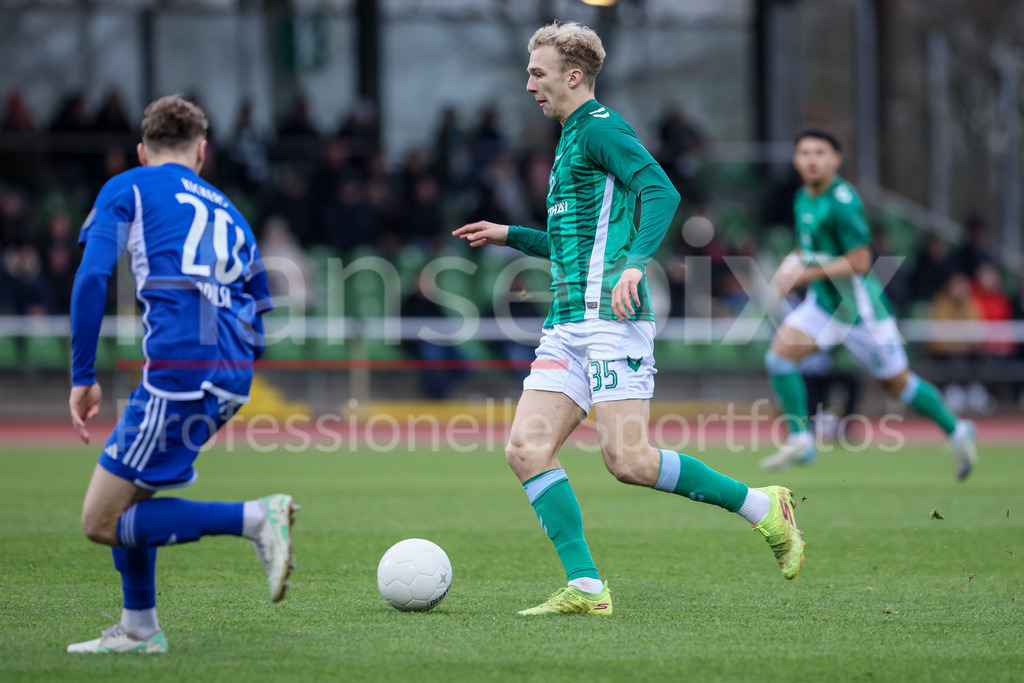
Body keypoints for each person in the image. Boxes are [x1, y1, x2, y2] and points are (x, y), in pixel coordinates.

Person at [453, 21, 805, 616]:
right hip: (567, 322)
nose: (529, 84)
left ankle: (763, 507)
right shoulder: (568, 138)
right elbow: (572, 243)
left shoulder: (600, 128)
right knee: (526, 449)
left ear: (573, 76)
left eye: (537, 73)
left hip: (612, 320)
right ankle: (587, 587)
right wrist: (510, 234)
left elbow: (662, 192)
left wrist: (636, 264)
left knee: (630, 462)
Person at [67, 95, 296, 654]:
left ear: (143, 150)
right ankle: (140, 628)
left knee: (100, 520)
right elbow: (260, 310)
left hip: (178, 369)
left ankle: (255, 518)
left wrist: (82, 374)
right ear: (203, 151)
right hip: (231, 375)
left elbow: (93, 276)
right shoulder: (231, 211)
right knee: (134, 496)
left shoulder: (130, 186)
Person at [761, 127, 977, 477]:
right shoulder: (803, 197)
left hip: (860, 313)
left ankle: (957, 430)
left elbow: (860, 261)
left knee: (899, 385)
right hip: (823, 307)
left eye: (819, 153)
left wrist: (804, 274)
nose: (811, 160)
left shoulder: (844, 202)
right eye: (804, 153)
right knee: (778, 358)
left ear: (836, 160)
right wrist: (791, 265)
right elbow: (810, 249)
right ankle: (801, 438)